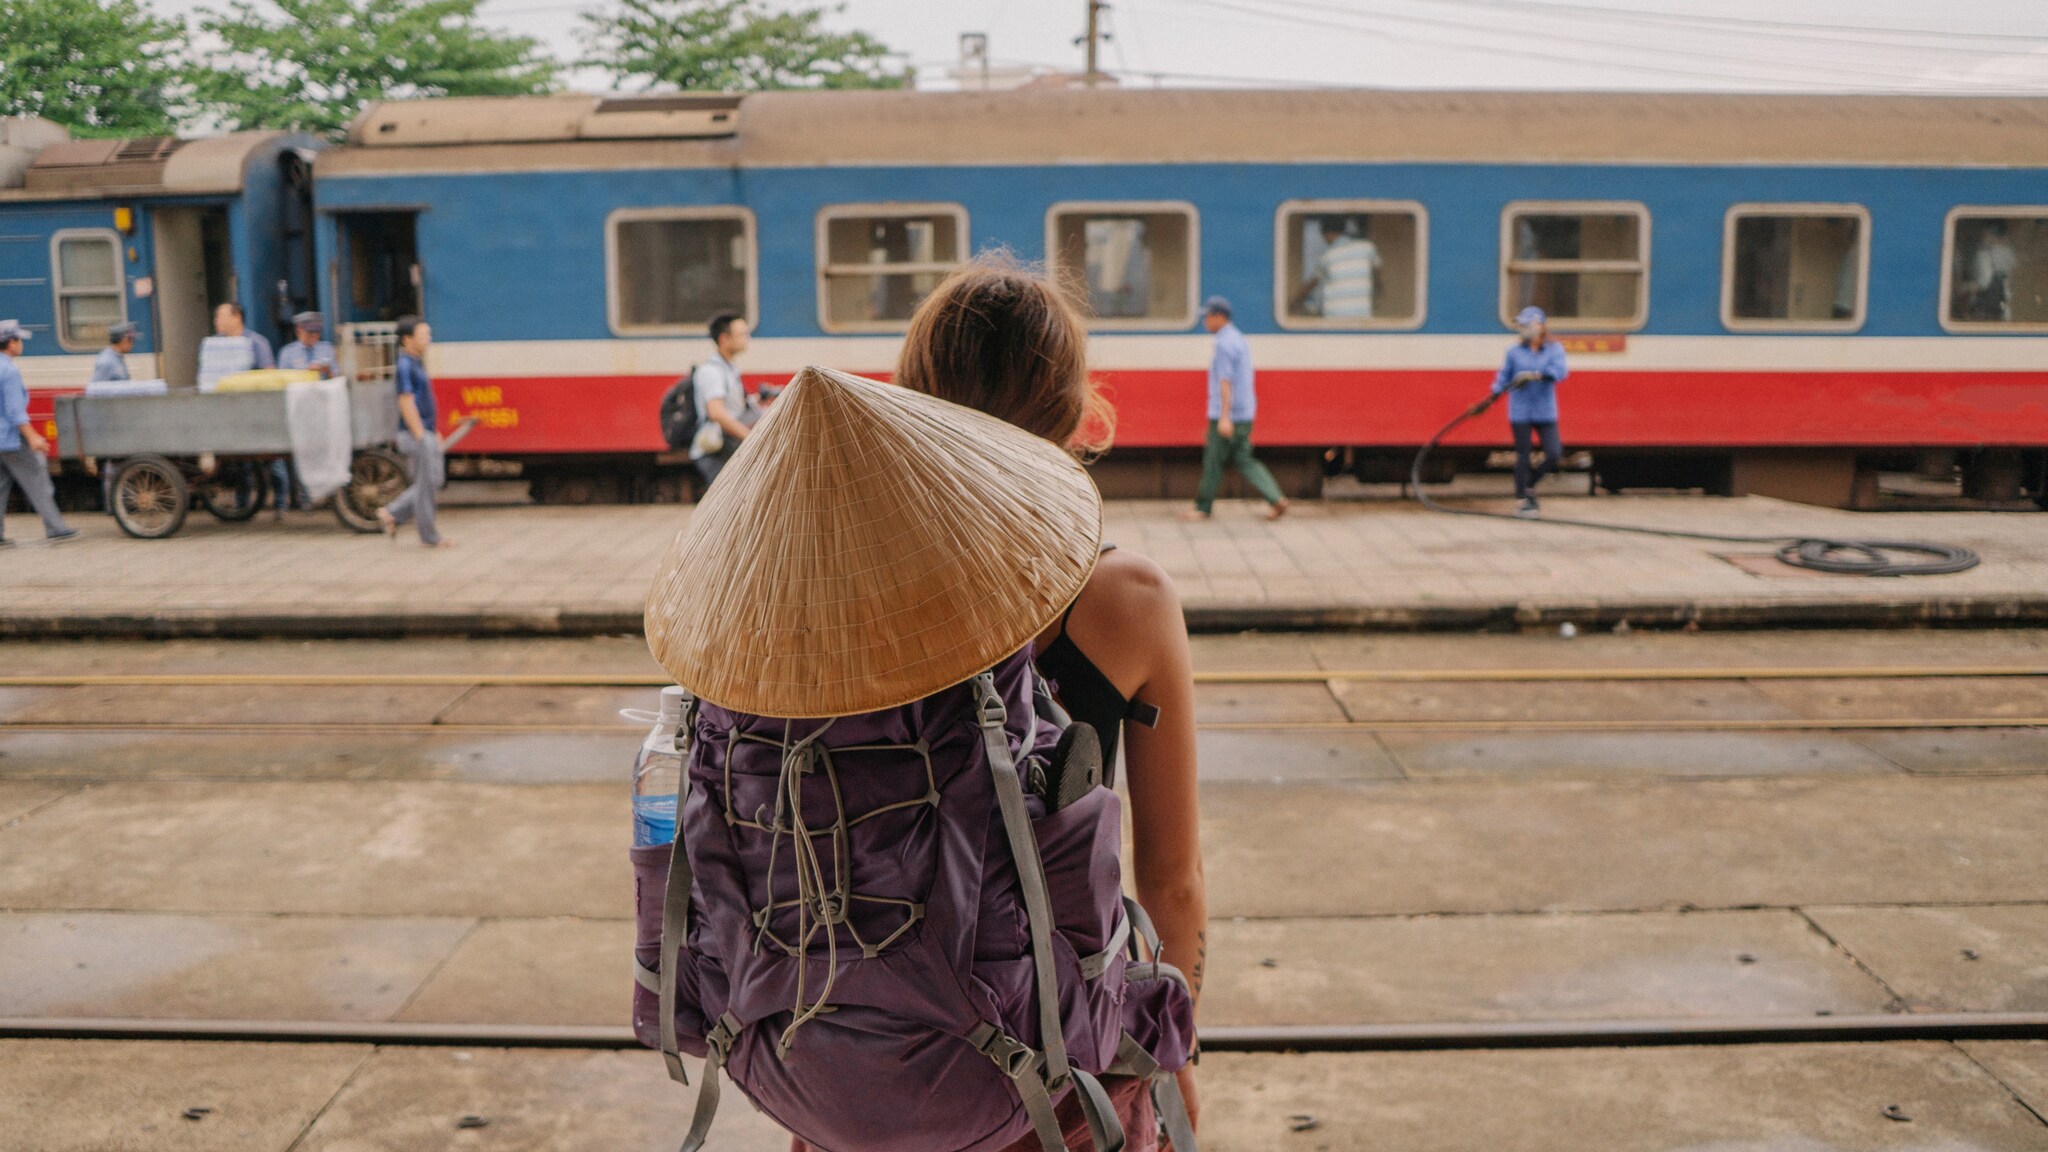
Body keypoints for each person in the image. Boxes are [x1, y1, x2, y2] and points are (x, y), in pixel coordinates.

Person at [891, 254, 1206, 1150]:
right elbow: (1171, 880)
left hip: (866, 1068)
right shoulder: (1128, 599)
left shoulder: (848, 593)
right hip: (1062, 1078)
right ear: (1075, 415)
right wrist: (1178, 1053)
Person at [1184, 295, 1287, 522]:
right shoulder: (1238, 338)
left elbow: (1225, 381)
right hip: (1245, 413)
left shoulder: (1223, 344)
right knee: (1244, 459)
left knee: (1213, 460)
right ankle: (1276, 497)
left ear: (1219, 317)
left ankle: (1203, 507)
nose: (1205, 322)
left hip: (1227, 414)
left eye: (1208, 317)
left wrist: (1224, 417)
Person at [1484, 305, 1570, 518]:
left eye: (1527, 325)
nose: (1524, 329)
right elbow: (1504, 376)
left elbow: (1560, 372)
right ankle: (1522, 499)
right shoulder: (1513, 352)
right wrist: (1493, 395)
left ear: (1540, 326)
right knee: (1523, 456)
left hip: (1545, 411)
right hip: (1520, 411)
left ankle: (1529, 486)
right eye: (1521, 326)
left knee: (1553, 453)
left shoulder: (1554, 349)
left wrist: (1536, 375)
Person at [0, 320, 78, 546]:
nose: (21, 344)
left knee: (1, 484)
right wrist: (33, 436)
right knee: (37, 479)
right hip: (12, 439)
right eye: (19, 340)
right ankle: (56, 528)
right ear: (11, 343)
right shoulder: (9, 371)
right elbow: (15, 410)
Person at [375, 317, 447, 547]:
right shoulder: (405, 365)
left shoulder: (416, 362)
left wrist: (432, 431)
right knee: (426, 486)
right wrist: (421, 435)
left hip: (425, 431)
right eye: (424, 335)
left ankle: (391, 513)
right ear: (407, 339)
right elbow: (406, 401)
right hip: (415, 433)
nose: (428, 339)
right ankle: (429, 537)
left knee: (433, 481)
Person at [689, 311, 756, 488]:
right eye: (742, 334)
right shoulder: (711, 371)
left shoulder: (729, 368)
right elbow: (716, 413)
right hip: (715, 451)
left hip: (727, 447)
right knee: (724, 503)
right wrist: (751, 438)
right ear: (724, 339)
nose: (747, 338)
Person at [1291, 216, 1381, 320]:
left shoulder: (1327, 257)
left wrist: (1292, 304)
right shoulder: (1367, 248)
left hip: (1334, 319)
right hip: (1362, 317)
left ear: (1327, 234)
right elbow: (1377, 274)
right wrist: (1375, 292)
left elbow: (1310, 286)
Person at [210, 301, 274, 370]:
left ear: (237, 317)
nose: (216, 320)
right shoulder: (215, 342)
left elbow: (269, 371)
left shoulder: (257, 342)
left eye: (220, 316)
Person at [277, 311, 338, 377]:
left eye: (317, 331)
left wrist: (327, 371)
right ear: (298, 330)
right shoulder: (288, 352)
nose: (314, 335)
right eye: (310, 331)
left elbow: (337, 376)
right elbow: (282, 378)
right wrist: (306, 371)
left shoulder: (327, 349)